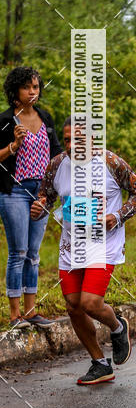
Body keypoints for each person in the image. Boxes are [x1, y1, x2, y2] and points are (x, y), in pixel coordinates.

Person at [31, 118, 136, 385]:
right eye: (68, 140)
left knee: (90, 303)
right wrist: (39, 208)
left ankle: (118, 328)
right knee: (73, 306)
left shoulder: (110, 163)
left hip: (103, 244)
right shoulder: (57, 165)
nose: (72, 146)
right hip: (72, 245)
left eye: (79, 140)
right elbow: (44, 197)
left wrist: (117, 216)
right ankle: (99, 363)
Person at [0, 66, 62, 329]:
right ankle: (15, 316)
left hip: (40, 193)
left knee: (34, 254)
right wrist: (13, 145)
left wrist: (48, 195)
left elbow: (57, 155)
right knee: (19, 252)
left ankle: (31, 311)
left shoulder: (45, 118)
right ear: (16, 91)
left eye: (36, 87)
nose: (33, 92)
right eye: (27, 87)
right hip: (14, 191)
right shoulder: (4, 120)